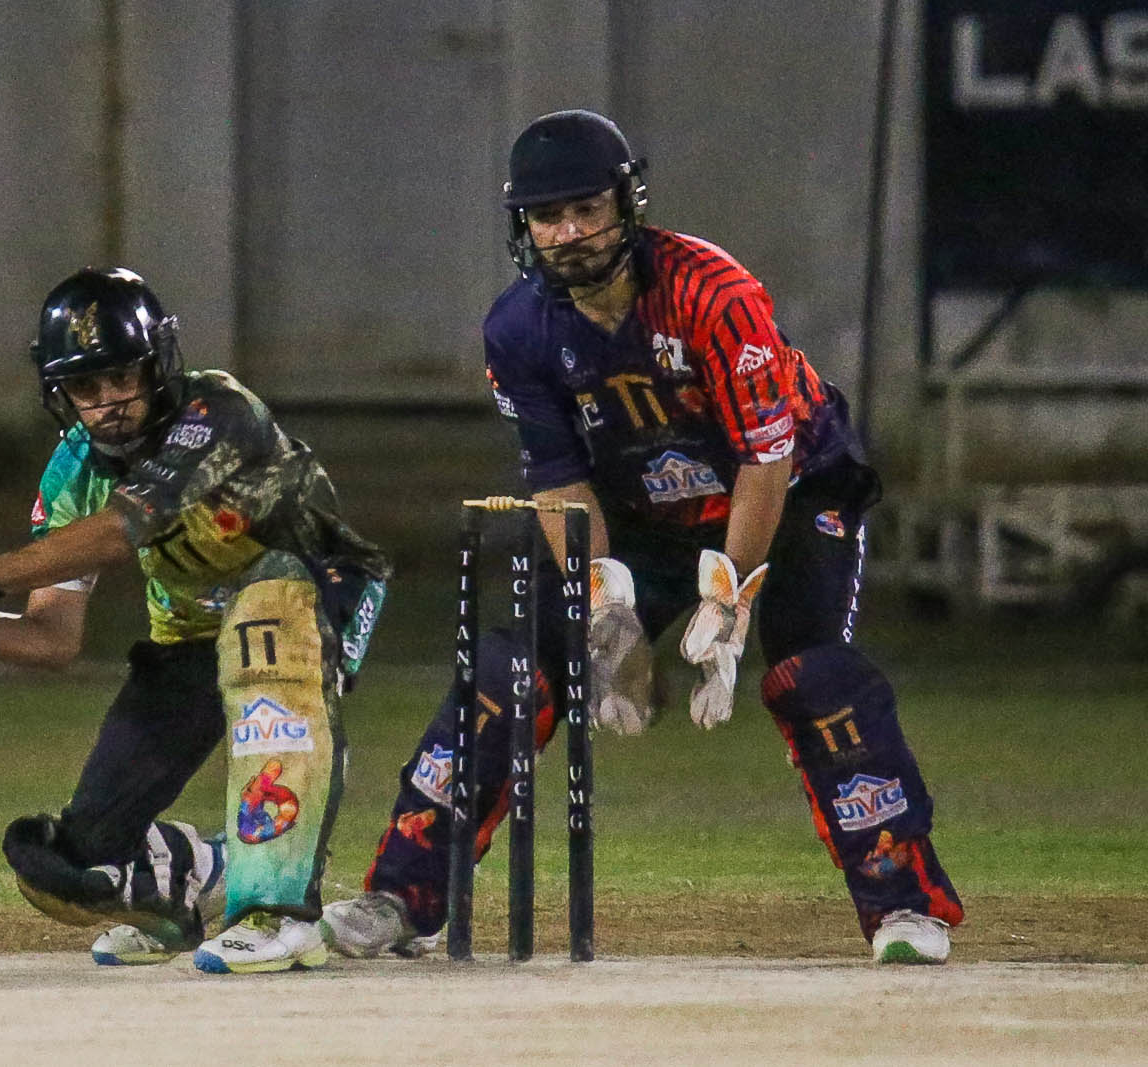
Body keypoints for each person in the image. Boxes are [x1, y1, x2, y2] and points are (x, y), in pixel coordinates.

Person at [319, 109, 963, 964]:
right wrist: (603, 612)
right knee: (511, 669)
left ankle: (904, 906)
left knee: (816, 675)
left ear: (628, 204)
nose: (569, 233)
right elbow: (558, 483)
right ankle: (404, 896)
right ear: (523, 226)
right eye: (548, 216)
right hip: (639, 512)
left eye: (588, 209)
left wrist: (729, 597)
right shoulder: (517, 329)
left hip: (795, 488)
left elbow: (765, 457)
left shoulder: (714, 294)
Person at [0, 267, 390, 975]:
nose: (108, 403)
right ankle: (198, 883)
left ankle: (279, 911)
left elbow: (123, 527)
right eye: (85, 387)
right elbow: (53, 637)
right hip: (193, 633)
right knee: (81, 861)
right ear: (60, 392)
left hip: (317, 589)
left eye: (121, 377)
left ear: (157, 365)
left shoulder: (219, 412)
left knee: (267, 629)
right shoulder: (71, 473)